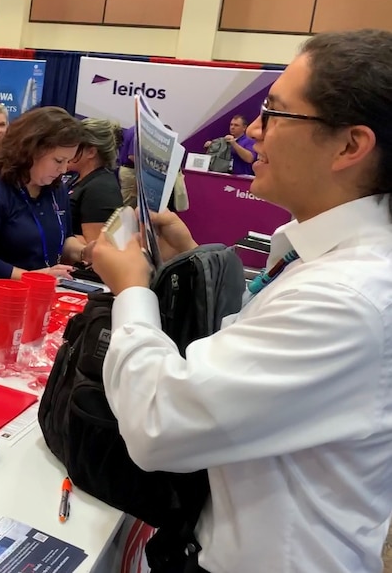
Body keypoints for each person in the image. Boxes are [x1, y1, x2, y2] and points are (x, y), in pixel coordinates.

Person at [91, 29, 392, 573]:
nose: (253, 131)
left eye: (275, 114)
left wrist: (131, 292)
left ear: (350, 146)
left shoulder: (347, 298)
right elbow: (252, 347)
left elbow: (158, 425)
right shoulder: (328, 257)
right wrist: (189, 254)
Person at [0, 107, 87, 289]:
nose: (64, 170)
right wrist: (28, 276)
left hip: (42, 293)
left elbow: (63, 238)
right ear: (32, 150)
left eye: (68, 161)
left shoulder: (56, 189)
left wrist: (85, 252)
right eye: (58, 161)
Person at [65, 118, 124, 244]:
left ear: (91, 152)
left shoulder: (101, 189)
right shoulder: (79, 178)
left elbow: (94, 244)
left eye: (74, 145)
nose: (67, 150)